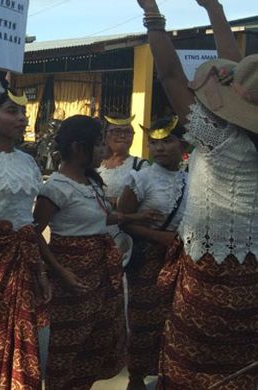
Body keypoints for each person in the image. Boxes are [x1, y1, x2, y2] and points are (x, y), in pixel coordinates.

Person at [136, 0, 258, 388]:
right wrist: (215, 10)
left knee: (190, 367)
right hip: (252, 271)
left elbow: (170, 73)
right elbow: (241, 72)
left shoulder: (214, 136)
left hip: (209, 267)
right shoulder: (246, 136)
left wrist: (152, 14)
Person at [33, 115, 125, 390]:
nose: (104, 151)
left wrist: (135, 217)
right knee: (67, 344)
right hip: (71, 273)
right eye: (97, 144)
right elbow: (35, 233)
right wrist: (60, 272)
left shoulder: (90, 182)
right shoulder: (56, 188)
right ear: (77, 148)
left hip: (98, 272)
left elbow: (97, 220)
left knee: (93, 343)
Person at [0, 90, 52, 390]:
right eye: (12, 111)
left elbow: (30, 223)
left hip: (24, 260)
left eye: (23, 112)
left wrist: (46, 269)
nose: (22, 118)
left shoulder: (28, 162)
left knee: (25, 334)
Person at [117, 116, 187, 390]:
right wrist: (162, 238)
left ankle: (166, 375)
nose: (159, 148)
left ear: (182, 143)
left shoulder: (191, 178)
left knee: (173, 320)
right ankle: (136, 378)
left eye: (167, 141)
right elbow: (125, 221)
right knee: (143, 320)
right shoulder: (140, 178)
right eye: (154, 142)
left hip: (179, 258)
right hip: (146, 259)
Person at [98, 112, 149, 266]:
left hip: (125, 232)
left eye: (128, 132)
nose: (122, 136)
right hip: (95, 229)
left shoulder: (141, 166)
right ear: (105, 136)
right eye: (116, 131)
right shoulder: (94, 164)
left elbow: (145, 203)